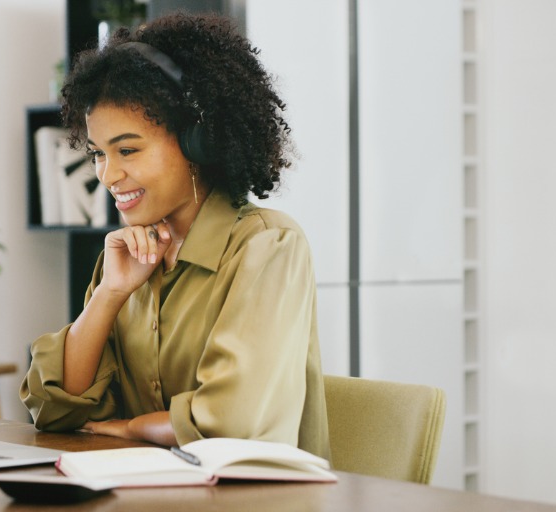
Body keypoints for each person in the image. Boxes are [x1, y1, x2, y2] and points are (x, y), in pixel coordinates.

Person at [19, 12, 330, 458]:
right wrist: (110, 293)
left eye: (127, 150)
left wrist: (129, 429)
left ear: (196, 142)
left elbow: (232, 421)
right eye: (97, 154)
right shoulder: (130, 258)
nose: (108, 174)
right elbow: (53, 407)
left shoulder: (268, 246)